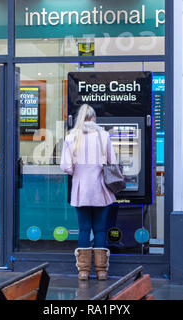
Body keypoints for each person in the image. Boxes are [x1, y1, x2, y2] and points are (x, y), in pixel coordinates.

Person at [60, 104, 117, 281]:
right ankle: (101, 271)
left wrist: (80, 171)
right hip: (101, 189)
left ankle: (83, 271)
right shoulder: (104, 135)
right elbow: (112, 162)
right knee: (100, 230)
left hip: (81, 190)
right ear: (93, 118)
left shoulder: (71, 137)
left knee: (84, 230)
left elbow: (66, 167)